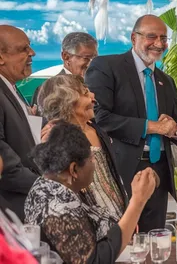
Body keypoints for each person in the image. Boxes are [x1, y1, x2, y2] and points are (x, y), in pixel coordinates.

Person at [85, 15, 177, 233]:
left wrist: (175, 129)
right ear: (134, 38)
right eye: (151, 36)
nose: (159, 43)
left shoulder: (166, 80)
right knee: (122, 240)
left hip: (159, 171)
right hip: (121, 170)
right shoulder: (107, 66)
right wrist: (152, 127)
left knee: (154, 238)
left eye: (163, 38)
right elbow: (98, 116)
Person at [24, 121, 156, 264]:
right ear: (74, 169)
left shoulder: (47, 186)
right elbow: (94, 260)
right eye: (92, 158)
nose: (95, 163)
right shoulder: (56, 207)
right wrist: (138, 201)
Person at [37, 75, 127, 221]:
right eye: (85, 93)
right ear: (68, 102)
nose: (93, 96)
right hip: (88, 223)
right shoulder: (55, 138)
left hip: (118, 216)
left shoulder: (95, 128)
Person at [0, 25, 40, 220]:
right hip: (12, 208)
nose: (32, 53)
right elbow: (5, 164)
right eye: (23, 49)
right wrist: (46, 187)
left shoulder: (12, 89)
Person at [31, 32, 98, 107]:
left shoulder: (101, 86)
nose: (91, 63)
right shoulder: (47, 90)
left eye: (95, 58)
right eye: (86, 58)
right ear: (66, 57)